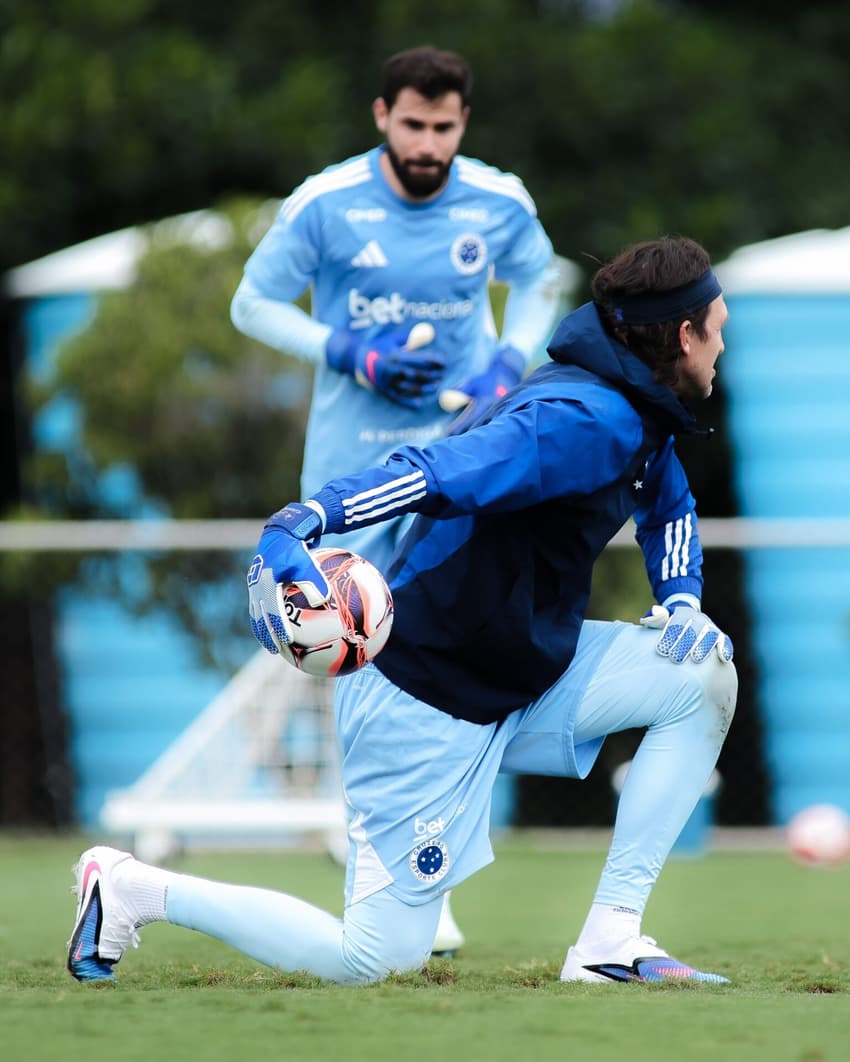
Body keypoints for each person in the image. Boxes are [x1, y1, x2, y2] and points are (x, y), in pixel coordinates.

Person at [67, 236, 738, 987]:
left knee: (700, 670)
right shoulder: (579, 419)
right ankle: (131, 888)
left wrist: (682, 602)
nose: (722, 344)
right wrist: (308, 517)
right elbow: (432, 472)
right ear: (685, 335)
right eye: (718, 327)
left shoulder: (633, 413)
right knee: (375, 962)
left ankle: (609, 942)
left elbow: (667, 503)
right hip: (424, 694)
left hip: (522, 675)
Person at [229, 45, 565, 951]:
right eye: (412, 124)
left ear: (463, 124)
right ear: (382, 116)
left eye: (443, 127)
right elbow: (251, 304)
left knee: (452, 642)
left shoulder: (499, 202)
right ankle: (386, 866)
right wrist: (348, 352)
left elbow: (542, 280)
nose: (427, 143)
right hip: (354, 473)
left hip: (463, 457)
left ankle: (429, 868)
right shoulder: (326, 203)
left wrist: (506, 363)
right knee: (360, 655)